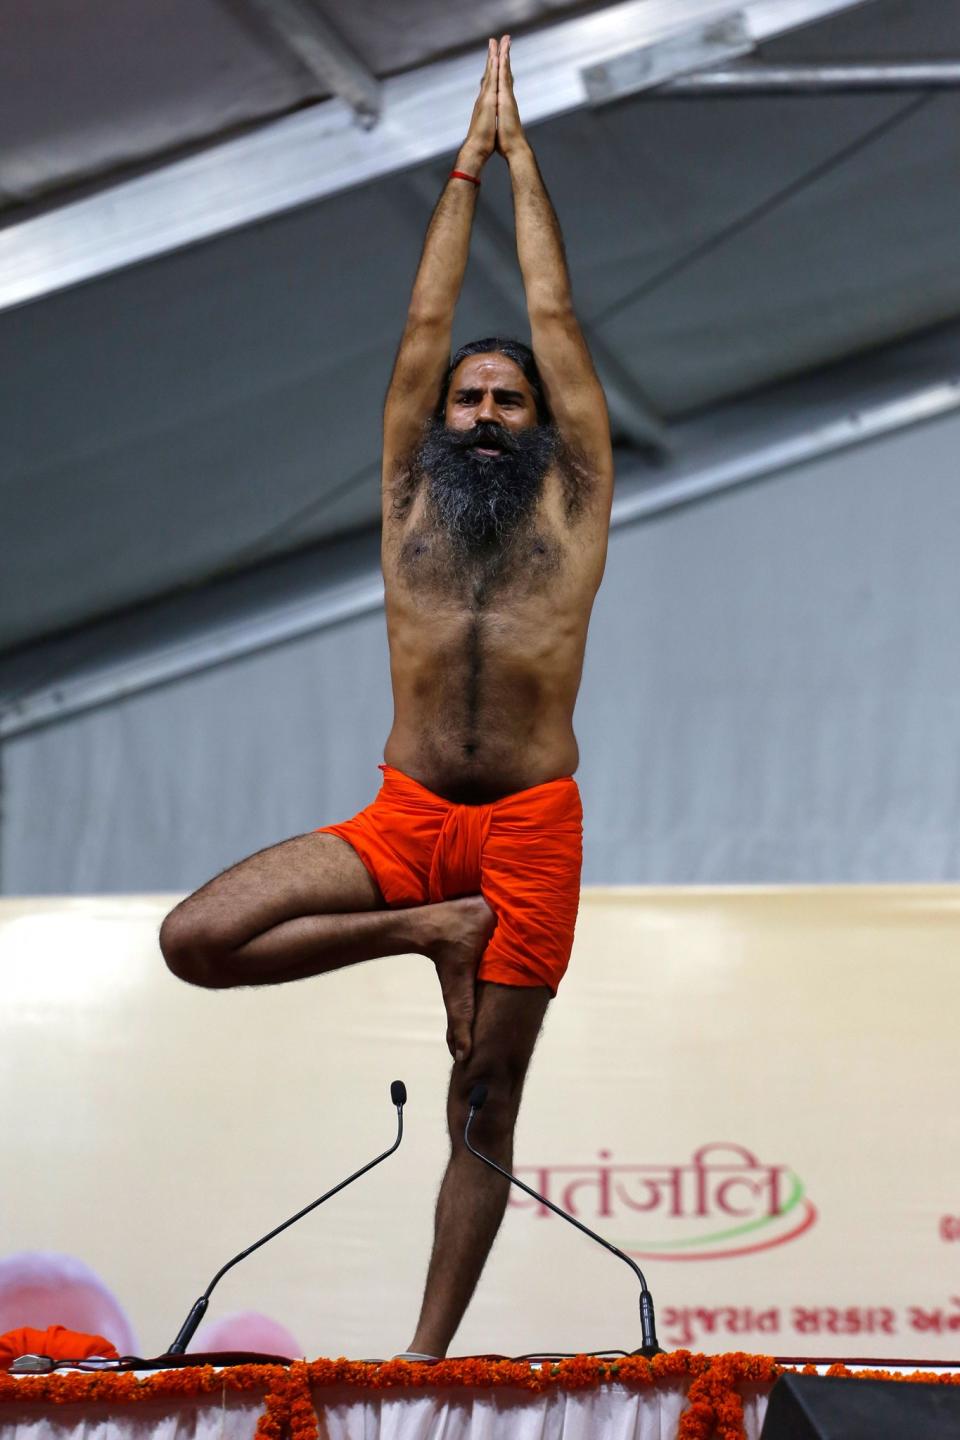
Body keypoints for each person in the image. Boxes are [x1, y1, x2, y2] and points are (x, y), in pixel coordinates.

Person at [159, 35, 613, 1360]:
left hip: (530, 826)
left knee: (486, 1102)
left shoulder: (574, 502)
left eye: (504, 397)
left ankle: (420, 1361)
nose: (480, 408)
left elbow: (563, 327)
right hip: (408, 825)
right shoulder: (407, 493)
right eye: (467, 395)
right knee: (198, 939)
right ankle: (431, 931)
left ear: (537, 421)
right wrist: (462, 165)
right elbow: (423, 327)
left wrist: (527, 168)